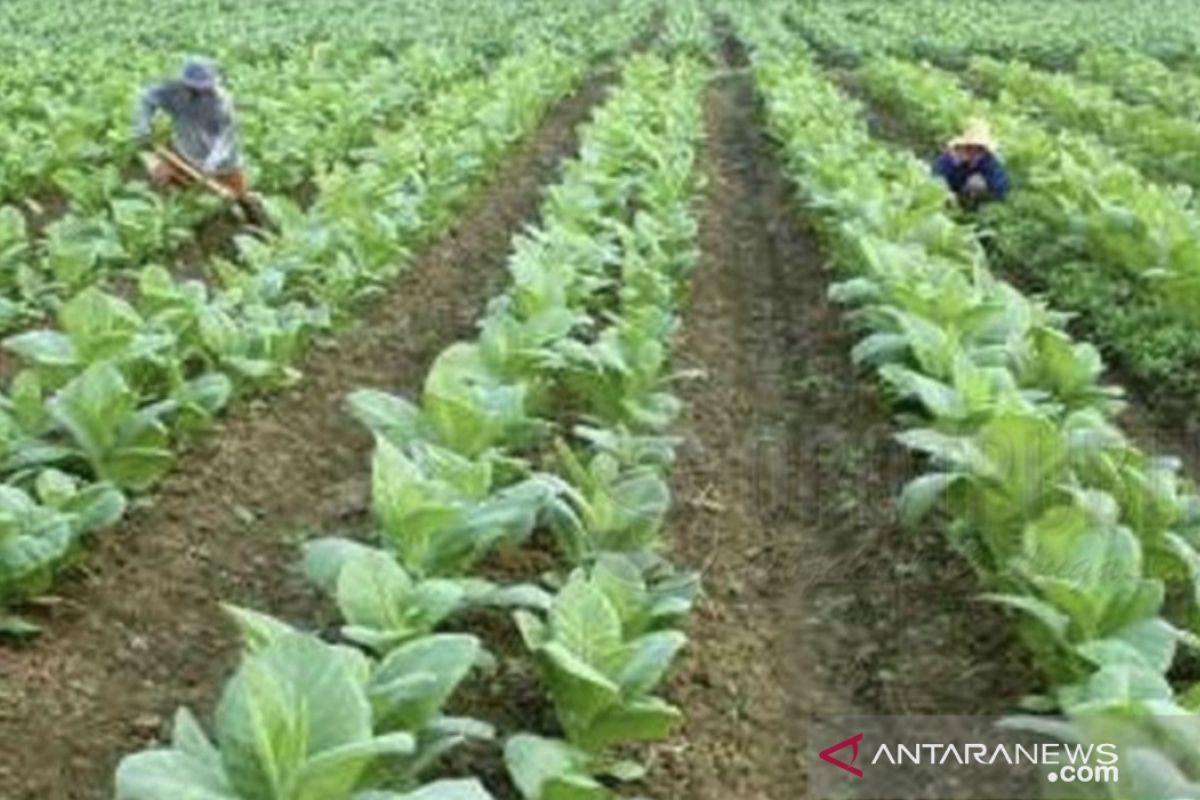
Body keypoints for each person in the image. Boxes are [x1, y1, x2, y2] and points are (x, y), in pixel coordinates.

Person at [133, 57, 264, 223]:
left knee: (237, 195)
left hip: (222, 160)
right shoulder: (173, 91)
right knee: (163, 178)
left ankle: (251, 217)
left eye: (205, 88)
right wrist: (142, 126)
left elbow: (225, 138)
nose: (200, 92)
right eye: (194, 88)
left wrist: (211, 164)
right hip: (183, 150)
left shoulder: (222, 101)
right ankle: (174, 217)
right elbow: (146, 99)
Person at [931, 119, 1010, 209]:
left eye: (979, 149)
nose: (974, 152)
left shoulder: (987, 160)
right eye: (969, 147)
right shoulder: (948, 159)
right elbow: (935, 179)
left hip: (970, 196)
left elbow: (1001, 185)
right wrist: (956, 165)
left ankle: (973, 208)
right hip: (949, 196)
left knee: (977, 182)